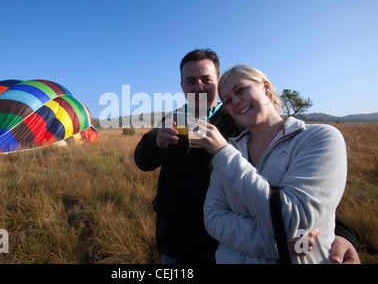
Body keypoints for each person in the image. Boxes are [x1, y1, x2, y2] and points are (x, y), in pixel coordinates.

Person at [134, 49, 359, 264]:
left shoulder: (240, 125)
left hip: (219, 246)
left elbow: (284, 186)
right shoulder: (173, 119)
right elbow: (142, 162)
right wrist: (156, 143)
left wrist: (341, 233)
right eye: (190, 81)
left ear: (218, 80)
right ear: (182, 85)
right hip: (173, 239)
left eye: (206, 79)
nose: (198, 86)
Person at [195, 64, 348, 263]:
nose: (236, 102)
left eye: (241, 90)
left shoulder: (319, 138)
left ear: (266, 88)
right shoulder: (234, 148)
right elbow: (213, 218)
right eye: (228, 100)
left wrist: (223, 153)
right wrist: (278, 245)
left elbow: (292, 220)